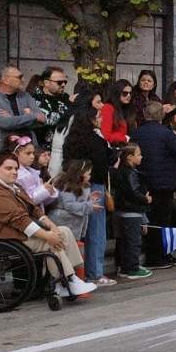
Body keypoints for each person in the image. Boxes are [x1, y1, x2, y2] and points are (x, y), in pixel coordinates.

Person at [0, 151, 97, 300]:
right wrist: (47, 235)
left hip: (15, 230)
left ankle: (69, 278)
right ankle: (66, 280)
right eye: (8, 168)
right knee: (50, 242)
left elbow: (33, 208)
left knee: (64, 231)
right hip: (0, 235)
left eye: (16, 168)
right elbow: (19, 220)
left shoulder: (13, 186)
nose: (14, 172)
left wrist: (51, 225)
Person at [133, 102, 176, 267]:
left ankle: (158, 255)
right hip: (164, 182)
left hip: (144, 182)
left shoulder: (136, 133)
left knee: (152, 220)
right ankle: (158, 257)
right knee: (162, 220)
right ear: (161, 116)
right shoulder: (165, 133)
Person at [63, 102, 116, 286]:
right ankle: (95, 272)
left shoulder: (71, 139)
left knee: (81, 230)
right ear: (91, 120)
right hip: (94, 185)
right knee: (96, 229)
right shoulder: (95, 139)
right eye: (99, 116)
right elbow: (104, 162)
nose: (101, 119)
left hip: (72, 185)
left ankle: (78, 273)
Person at [110, 143, 152, 280]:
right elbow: (133, 192)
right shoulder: (131, 173)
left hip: (121, 211)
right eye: (138, 154)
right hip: (132, 211)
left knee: (123, 242)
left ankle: (123, 267)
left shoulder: (118, 172)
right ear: (129, 157)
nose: (141, 157)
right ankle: (132, 268)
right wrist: (145, 199)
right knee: (133, 242)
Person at [0, 65, 46, 148]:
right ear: (6, 80)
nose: (23, 80)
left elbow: (42, 121)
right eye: (19, 77)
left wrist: (13, 117)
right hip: (3, 152)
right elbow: (5, 123)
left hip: (28, 151)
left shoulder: (25, 96)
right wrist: (32, 116)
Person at [29, 66, 73, 150]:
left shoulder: (65, 97)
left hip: (64, 147)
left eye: (65, 82)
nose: (63, 84)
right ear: (46, 82)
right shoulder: (34, 98)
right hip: (42, 150)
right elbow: (48, 120)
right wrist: (71, 107)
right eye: (59, 82)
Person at [99, 80, 132, 145]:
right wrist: (124, 138)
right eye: (125, 93)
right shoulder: (108, 108)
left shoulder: (126, 108)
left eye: (130, 93)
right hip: (112, 149)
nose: (129, 96)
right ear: (117, 93)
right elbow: (106, 135)